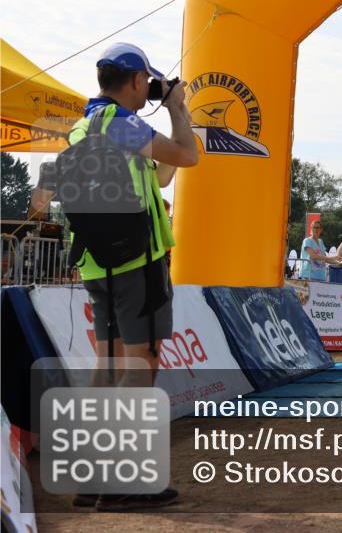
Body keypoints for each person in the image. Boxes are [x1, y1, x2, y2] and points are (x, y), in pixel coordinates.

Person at [31, 42, 198, 511]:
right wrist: (179, 109)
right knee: (140, 368)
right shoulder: (125, 125)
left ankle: (89, 478)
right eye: (147, 81)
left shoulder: (87, 126)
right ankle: (124, 481)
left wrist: (163, 112)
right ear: (136, 81)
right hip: (137, 263)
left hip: (95, 263)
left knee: (105, 370)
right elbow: (188, 156)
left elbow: (161, 177)